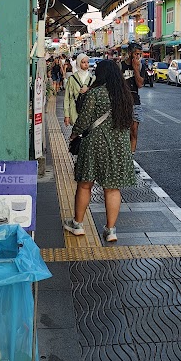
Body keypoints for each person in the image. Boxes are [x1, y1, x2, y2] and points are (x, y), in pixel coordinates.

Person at [64, 59, 135, 242]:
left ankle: (78, 224)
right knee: (112, 188)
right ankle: (111, 230)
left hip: (95, 144)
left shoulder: (95, 93)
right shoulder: (125, 95)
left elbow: (84, 119)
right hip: (118, 145)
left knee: (85, 184)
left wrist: (74, 134)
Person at [120, 42, 147, 153]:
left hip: (135, 102)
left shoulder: (140, 66)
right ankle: (123, 155)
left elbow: (140, 84)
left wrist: (135, 68)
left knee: (134, 130)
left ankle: (131, 156)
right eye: (136, 54)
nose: (137, 57)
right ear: (130, 53)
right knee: (123, 130)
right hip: (122, 102)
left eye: (139, 54)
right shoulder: (120, 66)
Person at [64, 54, 94, 127]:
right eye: (83, 62)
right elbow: (67, 98)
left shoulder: (92, 78)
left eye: (87, 62)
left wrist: (88, 89)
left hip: (89, 112)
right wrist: (66, 115)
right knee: (77, 134)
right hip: (75, 110)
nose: (86, 64)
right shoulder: (72, 78)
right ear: (78, 63)